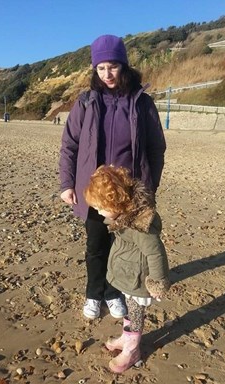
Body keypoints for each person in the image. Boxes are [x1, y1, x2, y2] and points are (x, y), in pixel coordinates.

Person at [59, 34, 166, 320]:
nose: (107, 74)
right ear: (95, 69)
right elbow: (69, 145)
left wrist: (150, 186)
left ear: (124, 65)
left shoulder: (142, 103)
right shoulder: (85, 103)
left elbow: (157, 148)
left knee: (126, 248)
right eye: (101, 67)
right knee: (95, 246)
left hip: (130, 192)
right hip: (94, 192)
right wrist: (67, 184)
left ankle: (113, 292)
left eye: (113, 66)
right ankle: (94, 293)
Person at [84, 165, 170, 373]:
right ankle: (126, 337)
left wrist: (156, 283)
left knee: (136, 311)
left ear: (115, 204)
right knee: (130, 309)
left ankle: (132, 350)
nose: (97, 212)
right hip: (129, 276)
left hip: (140, 280)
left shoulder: (140, 227)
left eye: (99, 207)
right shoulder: (121, 217)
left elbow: (156, 253)